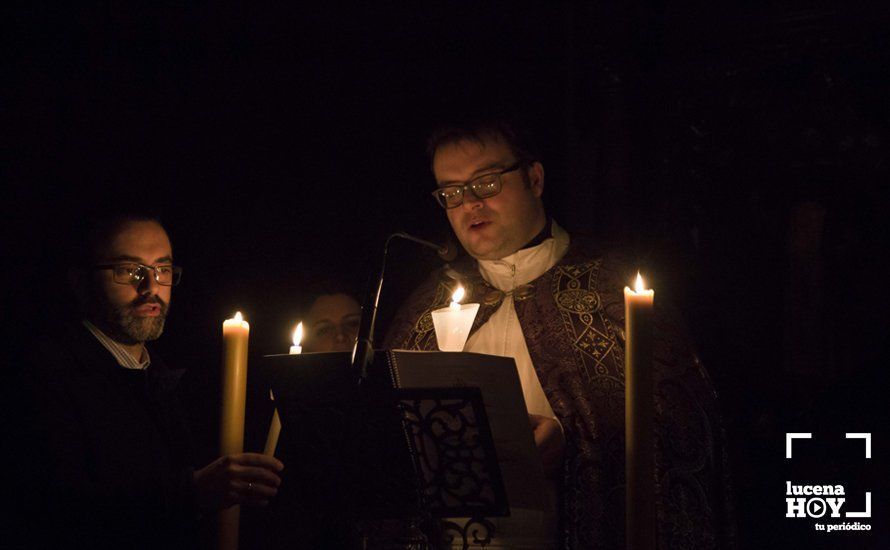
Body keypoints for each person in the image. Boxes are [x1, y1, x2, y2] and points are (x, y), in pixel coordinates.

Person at [384, 120, 736, 548]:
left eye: (487, 182)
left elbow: (676, 437)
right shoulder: (424, 312)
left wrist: (571, 446)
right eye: (452, 193)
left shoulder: (614, 292)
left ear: (534, 179)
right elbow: (386, 449)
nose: (470, 204)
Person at [13, 213, 284, 549]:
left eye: (163, 270)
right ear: (81, 282)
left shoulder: (164, 379)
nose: (151, 288)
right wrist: (193, 492)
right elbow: (53, 510)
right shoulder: (44, 375)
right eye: (129, 271)